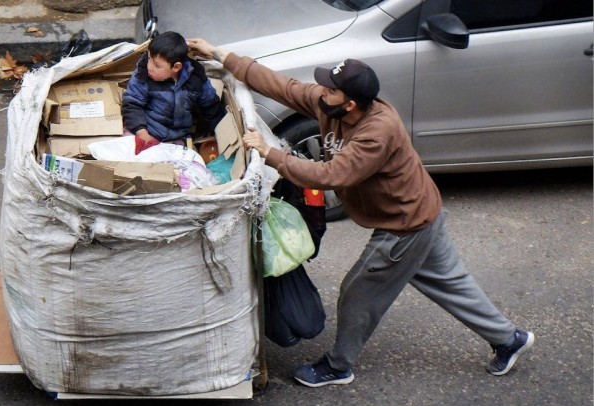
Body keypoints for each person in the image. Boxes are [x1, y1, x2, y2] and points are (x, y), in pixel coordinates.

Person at [187, 38, 535, 387]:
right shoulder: (332, 105)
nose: (321, 92)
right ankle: (509, 339)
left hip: (404, 225)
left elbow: (331, 175)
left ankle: (338, 366)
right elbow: (284, 87)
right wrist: (220, 54)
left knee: (358, 295)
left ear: (350, 103)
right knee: (452, 284)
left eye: (330, 90)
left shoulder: (376, 133)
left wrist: (270, 153)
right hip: (423, 212)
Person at [122, 32, 226, 151]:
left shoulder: (196, 78)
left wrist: (221, 135)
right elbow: (132, 103)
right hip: (145, 130)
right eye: (149, 58)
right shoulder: (143, 74)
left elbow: (212, 108)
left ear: (176, 67)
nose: (149, 67)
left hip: (177, 137)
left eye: (157, 65)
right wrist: (142, 133)